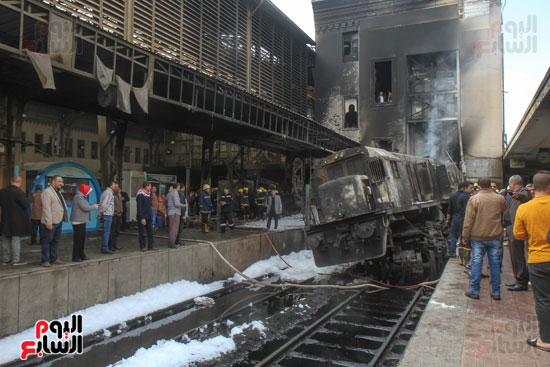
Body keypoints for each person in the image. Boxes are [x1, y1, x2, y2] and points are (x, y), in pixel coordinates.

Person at [513, 171, 550, 352]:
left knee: (543, 301)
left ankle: (546, 340)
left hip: (538, 259)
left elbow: (518, 235)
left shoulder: (525, 208)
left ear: (533, 188)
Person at [462, 177, 507, 300]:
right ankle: (496, 292)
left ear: (479, 186)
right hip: (495, 235)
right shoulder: (499, 198)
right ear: (490, 185)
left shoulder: (474, 199)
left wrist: (465, 236)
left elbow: (468, 220)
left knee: (477, 263)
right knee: (495, 264)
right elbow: (504, 210)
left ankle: (474, 291)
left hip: (478, 237)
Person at [502, 175, 532, 291]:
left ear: (512, 184)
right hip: (512, 228)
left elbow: (525, 196)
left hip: (517, 230)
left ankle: (521, 281)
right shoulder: (514, 194)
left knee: (518, 256)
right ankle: (519, 279)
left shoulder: (524, 192)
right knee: (515, 255)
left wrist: (517, 195)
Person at [0, 176, 30, 266]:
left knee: (5, 239)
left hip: (5, 219)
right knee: (15, 239)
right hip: (17, 220)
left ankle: (5, 260)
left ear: (11, 181)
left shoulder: (2, 191)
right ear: (20, 183)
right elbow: (26, 205)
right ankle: (16, 260)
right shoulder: (19, 192)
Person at [41, 175, 69, 267]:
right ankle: (45, 260)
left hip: (58, 220)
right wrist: (48, 222)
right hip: (51, 221)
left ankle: (54, 258)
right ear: (53, 181)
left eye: (61, 181)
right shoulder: (47, 192)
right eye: (59, 181)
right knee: (47, 241)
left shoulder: (58, 192)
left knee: (56, 240)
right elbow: (46, 208)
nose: (61, 183)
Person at [70, 184, 99, 262]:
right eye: (88, 191)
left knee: (81, 239)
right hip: (78, 221)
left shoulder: (81, 197)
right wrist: (94, 206)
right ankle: (76, 256)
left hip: (81, 220)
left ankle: (81, 254)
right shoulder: (79, 197)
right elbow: (85, 208)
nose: (89, 193)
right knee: (78, 240)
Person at [446, 181, 473, 257]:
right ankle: (462, 254)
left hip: (455, 217)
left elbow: (449, 210)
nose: (472, 189)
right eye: (471, 188)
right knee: (462, 235)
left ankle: (453, 252)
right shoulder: (467, 196)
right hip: (463, 218)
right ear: (464, 188)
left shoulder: (452, 196)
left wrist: (448, 220)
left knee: (453, 235)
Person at [136, 182, 156, 251]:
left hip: (149, 216)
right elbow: (139, 207)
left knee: (151, 232)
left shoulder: (149, 194)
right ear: (146, 186)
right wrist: (142, 218)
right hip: (143, 216)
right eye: (150, 186)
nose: (150, 188)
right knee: (142, 233)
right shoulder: (140, 194)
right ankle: (142, 246)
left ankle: (151, 245)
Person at [98, 180, 116, 255]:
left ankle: (104, 247)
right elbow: (105, 204)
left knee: (106, 231)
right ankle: (105, 248)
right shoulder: (109, 192)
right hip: (107, 214)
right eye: (114, 184)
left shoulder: (105, 192)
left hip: (106, 213)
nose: (115, 186)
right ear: (111, 185)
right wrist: (101, 212)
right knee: (106, 232)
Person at [166, 183, 186, 248]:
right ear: (177, 187)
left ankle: (171, 242)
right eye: (179, 186)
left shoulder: (170, 193)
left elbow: (166, 201)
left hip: (170, 212)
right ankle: (172, 243)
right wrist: (184, 205)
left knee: (171, 228)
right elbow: (177, 203)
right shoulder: (175, 193)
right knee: (174, 229)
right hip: (175, 213)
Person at [108, 185, 123, 252]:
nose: (117, 188)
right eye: (116, 187)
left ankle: (115, 245)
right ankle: (110, 246)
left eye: (118, 187)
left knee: (117, 231)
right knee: (112, 231)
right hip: (114, 214)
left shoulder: (119, 195)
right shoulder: (111, 195)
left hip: (119, 214)